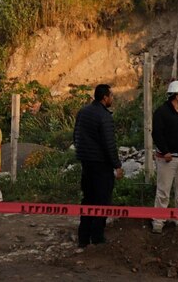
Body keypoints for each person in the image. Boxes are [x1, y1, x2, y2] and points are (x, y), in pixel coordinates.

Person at [73, 83, 123, 247]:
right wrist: (117, 165)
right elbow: (109, 144)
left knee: (88, 200)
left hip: (87, 164)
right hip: (101, 166)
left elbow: (76, 136)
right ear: (105, 97)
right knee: (102, 201)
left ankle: (83, 238)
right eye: (111, 96)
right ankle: (97, 237)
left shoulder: (83, 112)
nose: (112, 99)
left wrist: (83, 155)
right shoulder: (104, 116)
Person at [150, 80, 178, 234]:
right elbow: (157, 134)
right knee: (163, 191)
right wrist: (165, 151)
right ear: (176, 95)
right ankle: (158, 221)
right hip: (168, 159)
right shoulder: (161, 112)